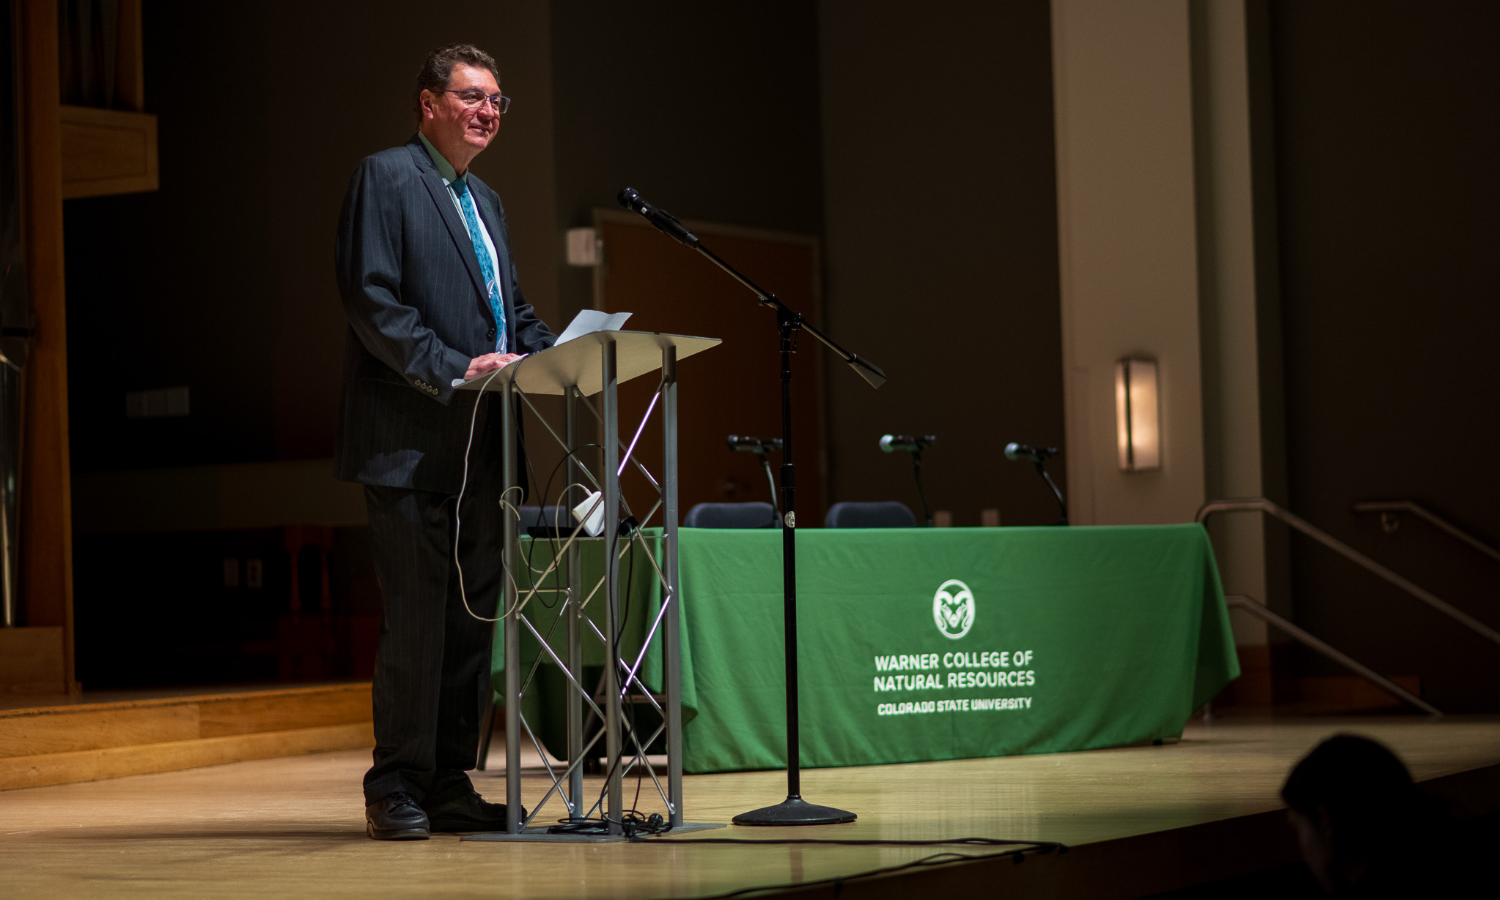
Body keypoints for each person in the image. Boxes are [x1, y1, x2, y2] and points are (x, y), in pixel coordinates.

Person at [334, 43, 556, 841]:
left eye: (498, 98)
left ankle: (448, 780)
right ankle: (394, 784)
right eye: (472, 96)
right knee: (420, 621)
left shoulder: (486, 200)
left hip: (486, 449)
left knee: (470, 624)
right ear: (428, 103)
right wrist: (452, 369)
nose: (489, 110)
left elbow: (513, 314)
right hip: (413, 436)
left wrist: (565, 355)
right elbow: (372, 297)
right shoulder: (386, 176)